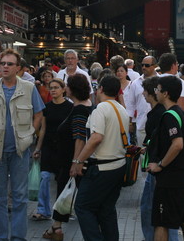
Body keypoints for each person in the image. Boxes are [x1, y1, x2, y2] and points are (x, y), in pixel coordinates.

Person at [0, 48, 45, 241]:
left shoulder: (29, 88)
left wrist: (30, 133)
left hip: (20, 151)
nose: (4, 67)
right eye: (2, 63)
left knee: (20, 197)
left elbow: (38, 114)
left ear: (18, 68)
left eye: (9, 64)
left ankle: (17, 237)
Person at [70, 75, 129, 240]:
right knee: (106, 209)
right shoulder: (121, 109)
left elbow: (96, 138)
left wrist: (78, 161)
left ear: (100, 89)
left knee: (82, 206)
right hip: (118, 166)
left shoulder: (101, 109)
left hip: (101, 168)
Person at [147, 75, 184, 241]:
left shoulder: (169, 116)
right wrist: (183, 160)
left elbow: (177, 144)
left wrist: (161, 165)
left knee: (161, 223)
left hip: (168, 180)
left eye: (158, 89)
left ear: (166, 93)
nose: (155, 92)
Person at [42, 74, 92, 241]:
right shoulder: (85, 107)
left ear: (73, 89)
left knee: (67, 193)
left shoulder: (79, 110)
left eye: (68, 85)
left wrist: (75, 162)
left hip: (71, 161)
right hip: (69, 160)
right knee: (65, 192)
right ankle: (56, 227)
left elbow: (79, 137)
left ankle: (57, 228)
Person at [139, 76, 179, 241]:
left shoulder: (161, 115)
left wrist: (160, 164)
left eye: (147, 91)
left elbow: (176, 144)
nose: (143, 94)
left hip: (159, 170)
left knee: (153, 209)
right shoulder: (166, 113)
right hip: (164, 169)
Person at [32, 78, 73, 223]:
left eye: (56, 87)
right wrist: (38, 148)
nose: (53, 90)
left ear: (63, 89)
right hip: (48, 146)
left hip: (64, 148)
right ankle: (43, 210)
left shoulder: (70, 107)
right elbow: (43, 129)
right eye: (51, 88)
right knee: (44, 177)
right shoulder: (46, 107)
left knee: (62, 180)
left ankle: (61, 209)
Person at [125, 56, 157, 148]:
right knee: (142, 156)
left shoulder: (161, 81)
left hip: (159, 125)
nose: (143, 67)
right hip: (142, 125)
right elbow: (130, 105)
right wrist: (130, 123)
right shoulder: (135, 83)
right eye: (142, 65)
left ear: (154, 66)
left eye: (147, 65)